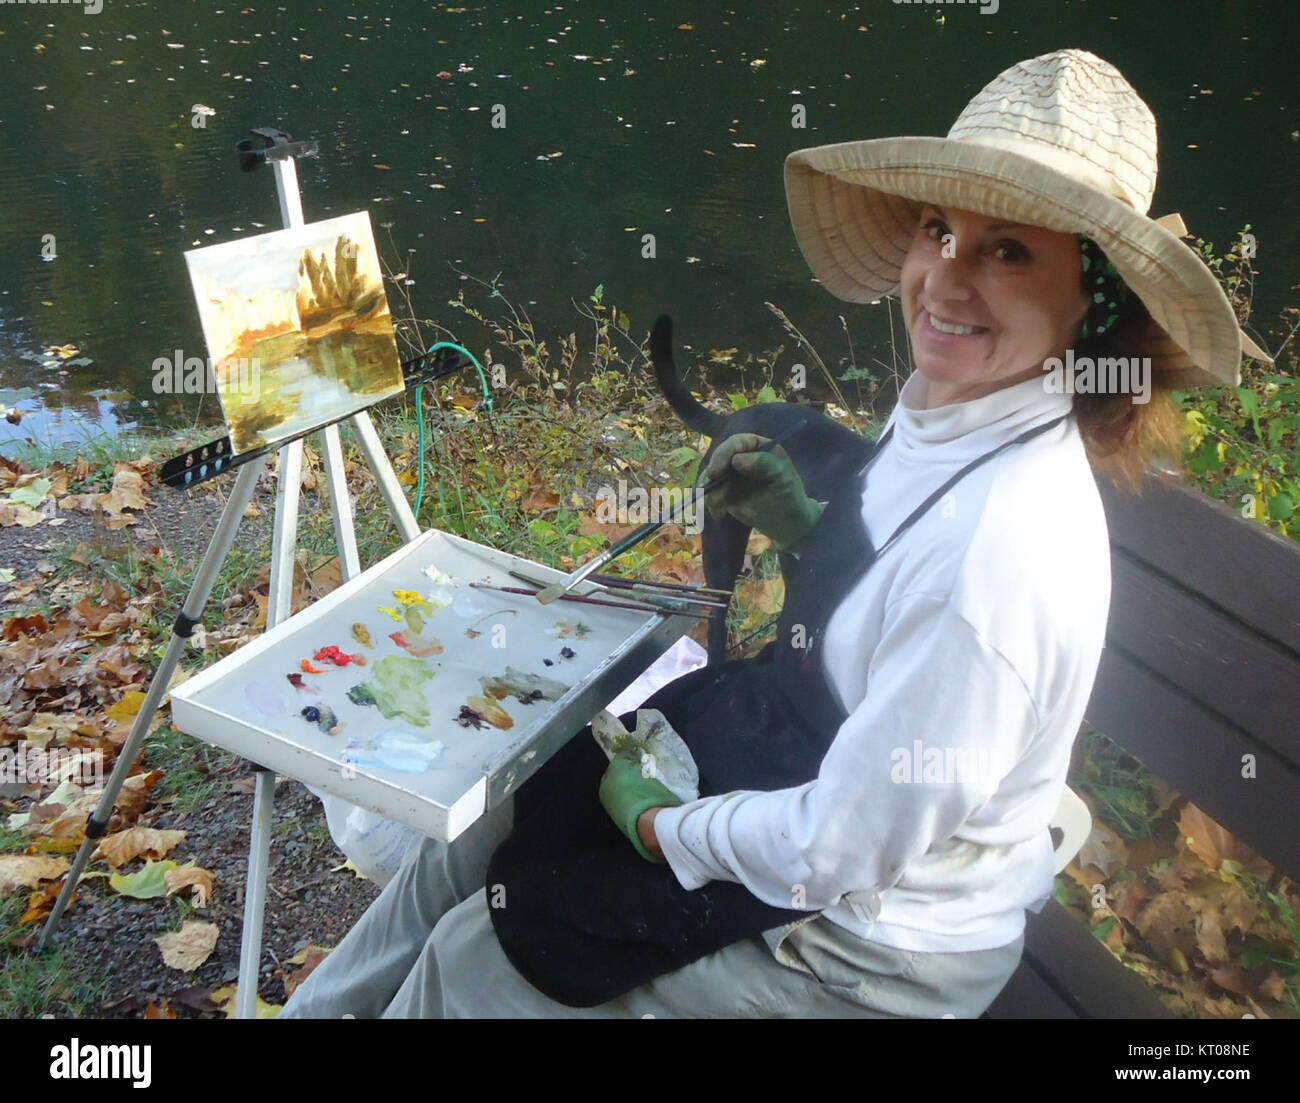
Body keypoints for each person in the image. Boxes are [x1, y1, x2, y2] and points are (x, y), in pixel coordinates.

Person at [279, 48, 1252, 1019]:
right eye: (936, 228)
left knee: (480, 959)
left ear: (1099, 304)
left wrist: (664, 828)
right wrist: (803, 529)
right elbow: (879, 602)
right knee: (477, 847)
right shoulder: (954, 410)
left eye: (1009, 250)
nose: (945, 281)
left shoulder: (1006, 550)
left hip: (865, 938)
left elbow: (842, 846)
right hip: (799, 756)